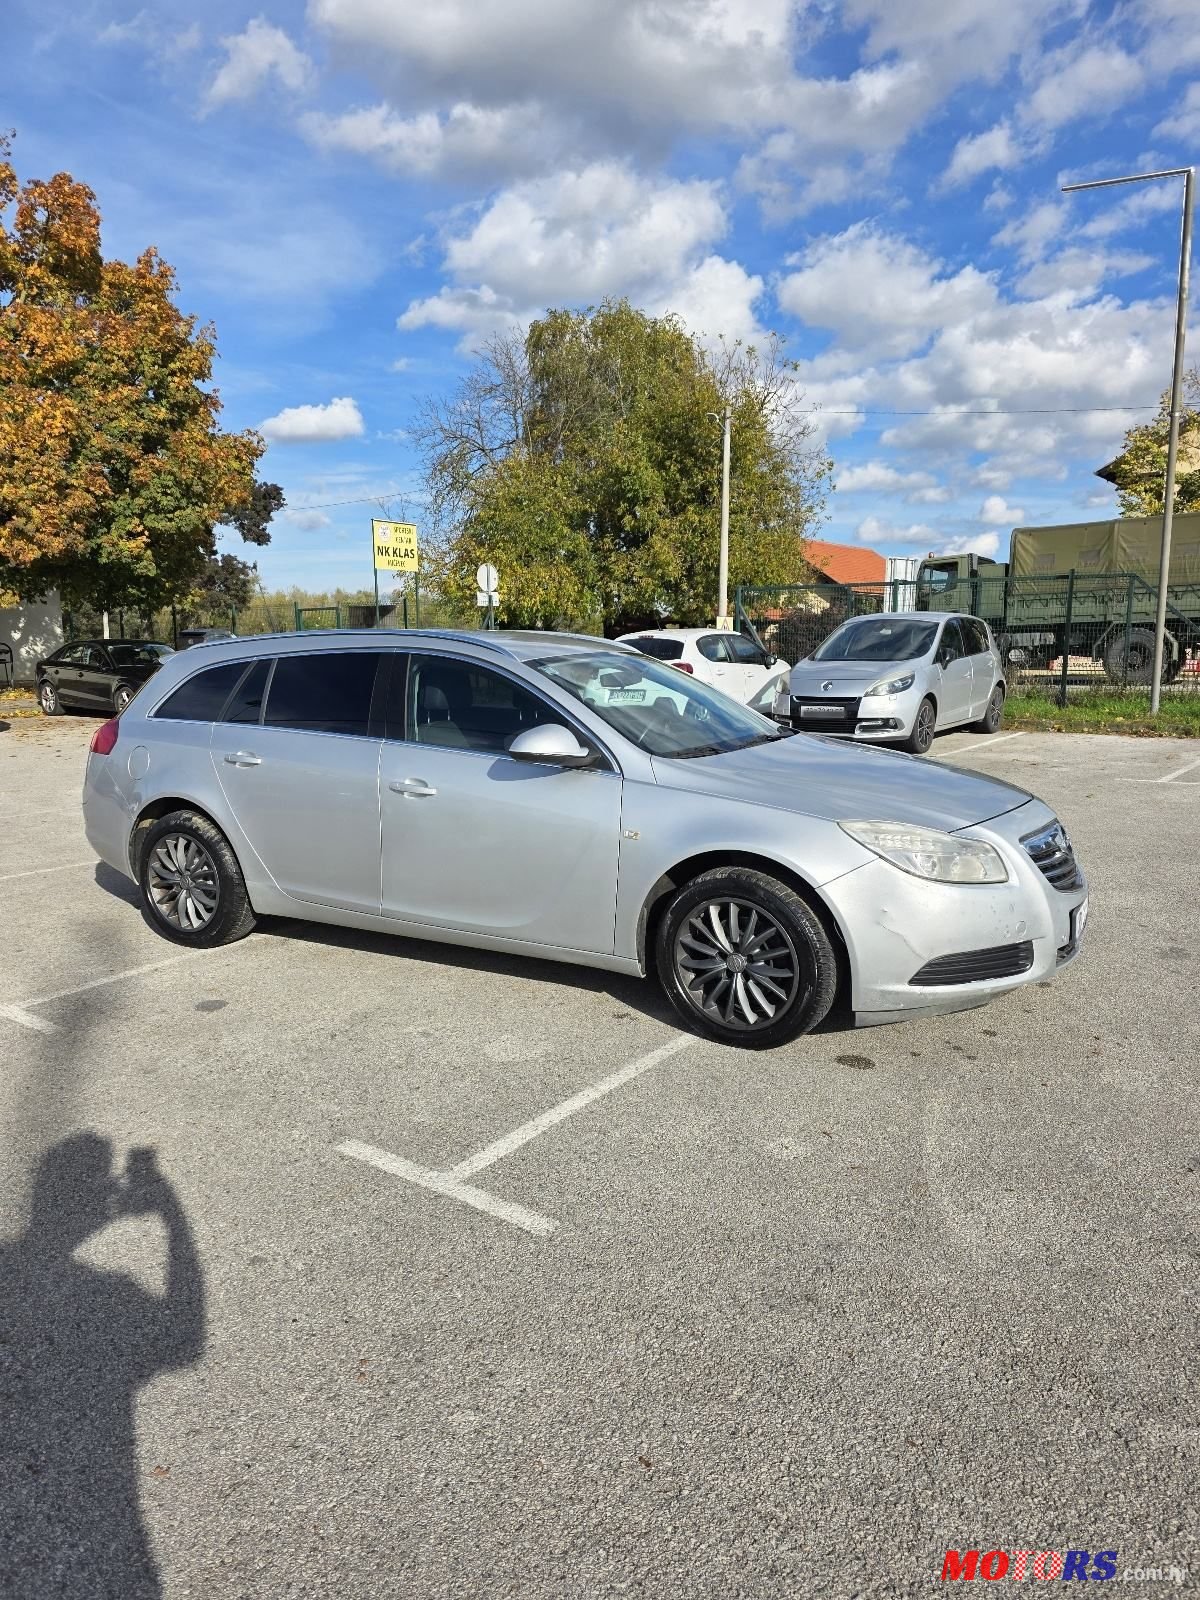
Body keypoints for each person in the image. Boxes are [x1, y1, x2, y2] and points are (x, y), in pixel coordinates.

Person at [0, 1134, 205, 1599]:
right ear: (98, 1204)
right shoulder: (109, 1296)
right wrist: (171, 1214)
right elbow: (185, 1335)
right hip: (99, 1530)